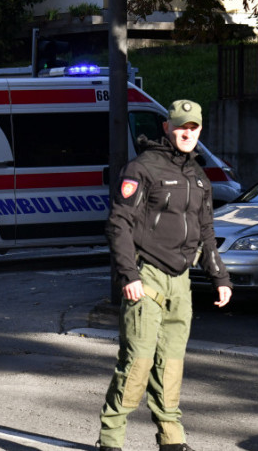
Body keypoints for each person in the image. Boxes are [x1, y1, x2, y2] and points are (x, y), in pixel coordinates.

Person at [97, 100, 232, 451]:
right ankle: (110, 441)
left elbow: (206, 232)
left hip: (181, 281)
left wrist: (220, 277)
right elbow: (118, 224)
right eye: (181, 127)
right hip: (147, 276)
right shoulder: (142, 168)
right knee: (138, 363)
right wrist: (128, 275)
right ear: (166, 128)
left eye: (194, 128)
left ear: (200, 131)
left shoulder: (199, 178)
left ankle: (171, 440)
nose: (187, 133)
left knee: (171, 365)